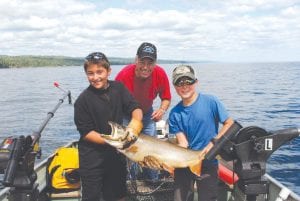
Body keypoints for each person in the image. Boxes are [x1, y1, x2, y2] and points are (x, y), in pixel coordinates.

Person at [74, 52, 143, 201]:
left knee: (118, 194)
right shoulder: (82, 101)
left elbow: (135, 107)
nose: (95, 77)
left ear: (108, 71)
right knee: (92, 197)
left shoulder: (119, 88)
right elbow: (86, 132)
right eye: (90, 73)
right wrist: (115, 141)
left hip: (116, 156)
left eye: (100, 72)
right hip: (92, 158)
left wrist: (135, 124)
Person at [168, 65, 234, 201]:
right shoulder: (174, 113)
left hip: (208, 161)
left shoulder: (211, 102)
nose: (184, 86)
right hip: (184, 163)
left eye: (188, 82)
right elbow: (183, 143)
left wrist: (214, 142)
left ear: (196, 82)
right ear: (174, 86)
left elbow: (229, 123)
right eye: (180, 83)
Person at [115, 42, 171, 181]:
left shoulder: (160, 73)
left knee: (152, 150)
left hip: (147, 115)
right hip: (127, 116)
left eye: (150, 63)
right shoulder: (123, 75)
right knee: (129, 150)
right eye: (142, 62)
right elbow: (113, 102)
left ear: (155, 63)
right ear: (136, 60)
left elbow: (166, 98)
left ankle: (153, 179)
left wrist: (162, 109)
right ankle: (130, 180)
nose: (145, 67)